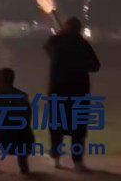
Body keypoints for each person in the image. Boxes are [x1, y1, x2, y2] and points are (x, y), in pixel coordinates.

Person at [45, 17, 100, 172]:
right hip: (79, 93)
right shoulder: (83, 45)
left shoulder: (56, 42)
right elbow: (95, 66)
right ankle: (77, 162)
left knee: (57, 126)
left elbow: (48, 48)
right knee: (78, 129)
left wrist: (60, 35)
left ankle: (55, 158)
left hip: (58, 92)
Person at [0, 68, 34, 175]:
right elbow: (28, 117)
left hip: (3, 139)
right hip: (23, 140)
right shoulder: (22, 96)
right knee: (22, 129)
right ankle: (23, 165)